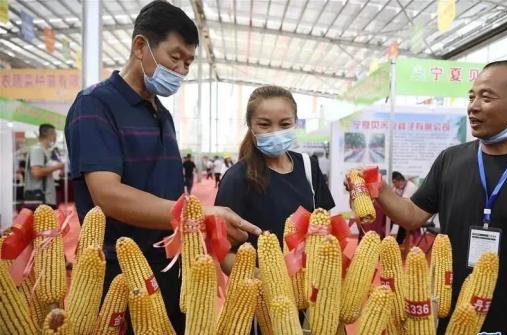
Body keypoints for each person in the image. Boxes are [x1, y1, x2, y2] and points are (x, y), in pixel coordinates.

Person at [64, 2, 261, 333]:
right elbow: (107, 194)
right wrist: (198, 215)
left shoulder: (162, 113)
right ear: (141, 46)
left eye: (188, 62)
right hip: (121, 269)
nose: (182, 70)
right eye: (175, 56)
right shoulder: (95, 105)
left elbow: (170, 194)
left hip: (172, 265)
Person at [370, 60, 507, 334]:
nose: (473, 106)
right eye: (471, 96)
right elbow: (412, 215)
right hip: (453, 319)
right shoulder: (451, 160)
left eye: (486, 97)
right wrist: (378, 188)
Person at [215, 85, 335, 259]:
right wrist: (257, 279)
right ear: (250, 125)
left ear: (295, 122)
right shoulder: (237, 178)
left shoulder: (309, 166)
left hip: (307, 281)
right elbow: (224, 249)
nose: (275, 133)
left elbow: (324, 222)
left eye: (285, 124)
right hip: (259, 282)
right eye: (264, 124)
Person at [23, 123, 65, 210]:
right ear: (49, 134)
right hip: (39, 198)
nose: (55, 138)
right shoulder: (37, 150)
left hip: (46, 199)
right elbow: (36, 172)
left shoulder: (46, 151)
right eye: (54, 135)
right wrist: (57, 167)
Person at [389, 171, 418, 245]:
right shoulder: (399, 187)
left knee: (402, 221)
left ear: (400, 180)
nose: (394, 185)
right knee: (389, 218)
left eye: (394, 182)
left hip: (415, 213)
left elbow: (404, 203)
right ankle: (388, 239)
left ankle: (398, 243)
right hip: (405, 211)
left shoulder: (410, 187)